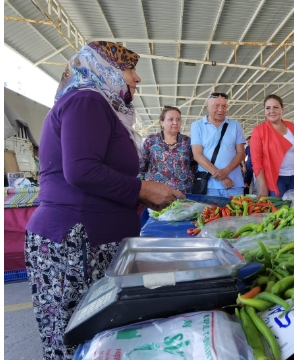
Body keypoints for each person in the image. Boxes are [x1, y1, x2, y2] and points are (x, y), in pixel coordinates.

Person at [24, 41, 183, 359]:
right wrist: (142, 190)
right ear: (104, 68)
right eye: (130, 69)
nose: (137, 79)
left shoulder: (101, 107)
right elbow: (81, 170)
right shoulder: (87, 100)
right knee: (73, 338)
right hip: (75, 242)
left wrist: (143, 194)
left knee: (91, 339)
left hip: (90, 241)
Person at [250, 95, 294, 197]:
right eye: (268, 108)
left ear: (282, 110)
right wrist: (263, 186)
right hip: (275, 179)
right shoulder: (259, 130)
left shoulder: (292, 127)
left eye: (275, 107)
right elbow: (256, 161)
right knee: (279, 210)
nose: (271, 111)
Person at [190, 92, 246, 197]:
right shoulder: (197, 125)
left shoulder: (235, 125)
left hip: (234, 184)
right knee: (210, 213)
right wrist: (222, 177)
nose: (220, 110)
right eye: (216, 106)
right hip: (208, 185)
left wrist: (227, 170)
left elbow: (241, 153)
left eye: (224, 106)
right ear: (207, 106)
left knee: (237, 213)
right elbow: (197, 155)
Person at [139, 106, 195, 193]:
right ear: (162, 122)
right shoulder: (151, 140)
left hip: (183, 193)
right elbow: (141, 166)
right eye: (171, 119)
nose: (175, 122)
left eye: (178, 119)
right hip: (156, 194)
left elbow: (194, 165)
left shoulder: (187, 141)